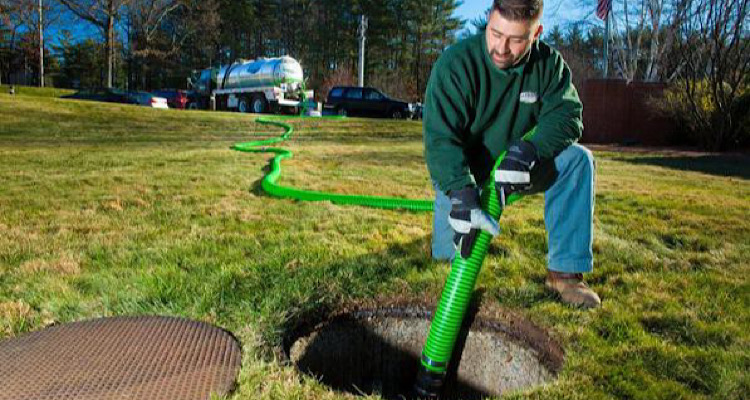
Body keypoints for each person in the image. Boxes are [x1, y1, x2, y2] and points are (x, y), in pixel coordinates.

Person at [423, 0, 601, 308]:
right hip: (468, 172)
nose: (502, 48)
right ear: (489, 21)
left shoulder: (548, 65)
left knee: (577, 162)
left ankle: (565, 275)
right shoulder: (455, 64)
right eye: (495, 33)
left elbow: (568, 115)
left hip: (521, 166)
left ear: (537, 33)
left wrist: (529, 150)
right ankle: (451, 252)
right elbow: (441, 138)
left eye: (516, 40)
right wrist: (460, 193)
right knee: (446, 257)